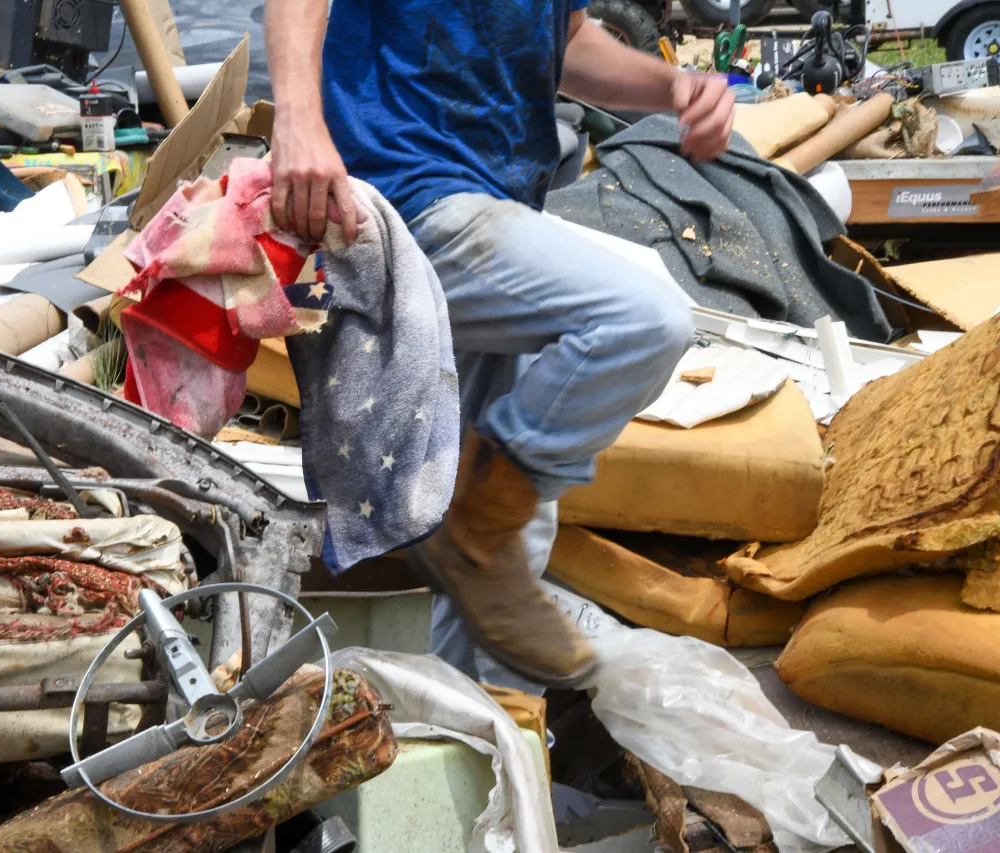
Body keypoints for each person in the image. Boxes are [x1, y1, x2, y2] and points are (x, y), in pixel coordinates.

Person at [265, 0, 735, 689]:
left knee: (510, 554)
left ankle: (481, 762)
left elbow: (565, 39)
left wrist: (671, 87)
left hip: (496, 201)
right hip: (402, 193)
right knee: (641, 320)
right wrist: (297, 119)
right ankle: (477, 523)